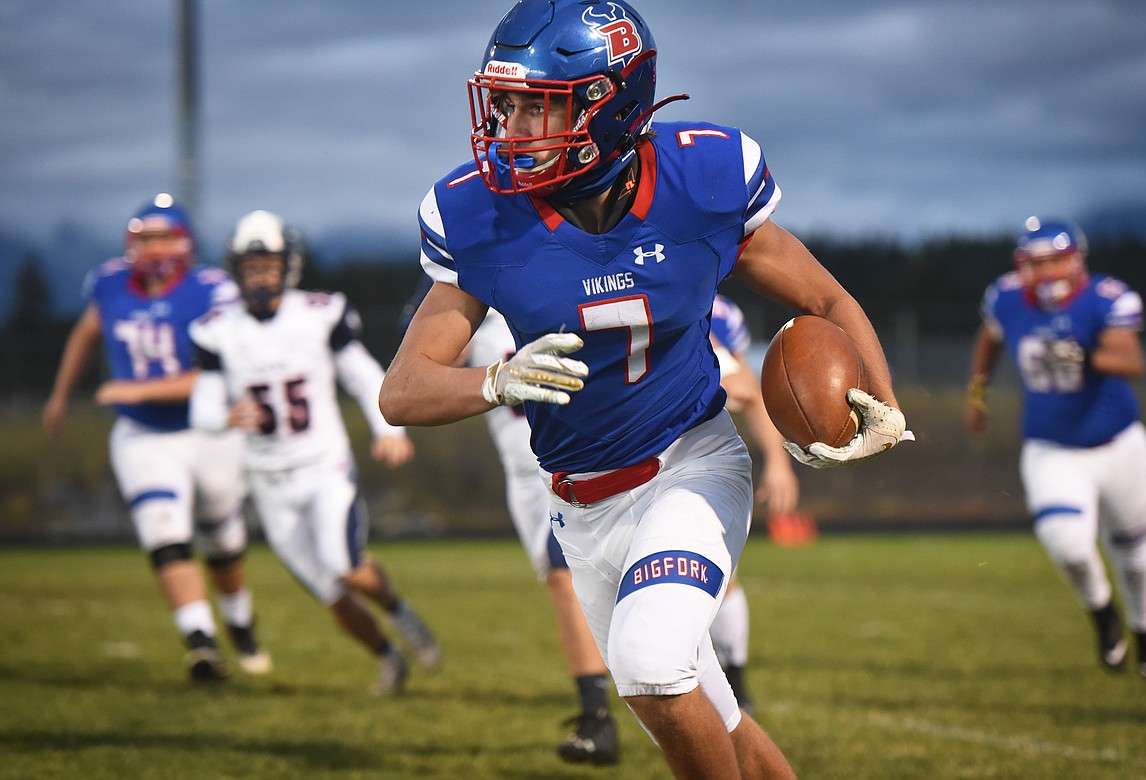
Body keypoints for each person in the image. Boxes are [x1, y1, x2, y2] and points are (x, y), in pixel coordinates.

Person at [379, 1, 911, 776]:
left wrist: (882, 400)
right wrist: (495, 379)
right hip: (579, 507)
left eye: (539, 106)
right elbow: (402, 390)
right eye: (506, 103)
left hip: (691, 467)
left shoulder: (701, 181)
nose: (512, 127)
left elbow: (828, 302)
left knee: (653, 668)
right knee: (717, 720)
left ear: (612, 104)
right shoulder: (483, 217)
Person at [188, 210, 440, 695]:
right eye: (252, 265)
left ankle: (401, 615)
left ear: (288, 266)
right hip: (267, 480)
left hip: (323, 466)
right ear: (237, 269)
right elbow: (200, 406)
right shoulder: (217, 330)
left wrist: (388, 428)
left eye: (269, 263)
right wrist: (223, 416)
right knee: (329, 591)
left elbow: (363, 376)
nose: (261, 273)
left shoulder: (319, 313)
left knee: (344, 563)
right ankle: (388, 659)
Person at [42, 193, 271, 682]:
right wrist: (60, 395)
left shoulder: (211, 290)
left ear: (185, 242)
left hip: (208, 429)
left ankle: (240, 622)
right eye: (144, 238)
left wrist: (137, 388)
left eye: (164, 236)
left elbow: (217, 372)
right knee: (164, 530)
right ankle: (201, 642)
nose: (153, 247)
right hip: (143, 434)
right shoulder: (108, 283)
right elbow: (86, 330)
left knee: (223, 538)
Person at [964, 216, 1146, 679]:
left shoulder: (1105, 297)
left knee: (1133, 556)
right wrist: (978, 393)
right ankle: (1103, 613)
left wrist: (1085, 355)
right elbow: (989, 338)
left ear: (1076, 260)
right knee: (1068, 544)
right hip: (1051, 447)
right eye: (1036, 263)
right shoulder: (1007, 297)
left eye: (1054, 261)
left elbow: (1131, 360)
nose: (1046, 272)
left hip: (1117, 445)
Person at [466, 304, 620, 765]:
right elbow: (423, 358)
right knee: (560, 581)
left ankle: (617, 709)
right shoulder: (470, 286)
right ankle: (598, 715)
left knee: (572, 572)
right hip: (523, 477)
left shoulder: (560, 275)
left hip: (583, 456)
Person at [707, 293, 801, 715]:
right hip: (621, 465)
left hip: (695, 462)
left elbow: (744, 385)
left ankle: (735, 681)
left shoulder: (710, 313)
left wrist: (779, 461)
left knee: (720, 576)